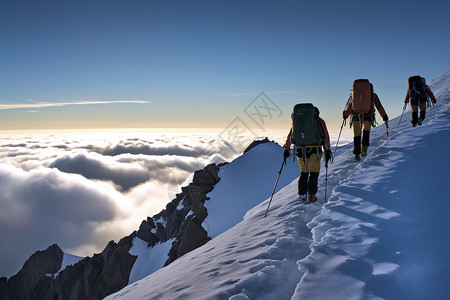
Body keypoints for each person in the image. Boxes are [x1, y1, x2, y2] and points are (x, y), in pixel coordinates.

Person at [283, 106, 331, 203]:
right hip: (315, 149)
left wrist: (287, 149)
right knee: (313, 172)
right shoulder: (319, 121)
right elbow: (326, 135)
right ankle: (312, 196)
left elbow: (290, 136)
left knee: (304, 172)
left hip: (300, 151)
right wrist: (327, 150)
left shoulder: (297, 123)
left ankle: (302, 195)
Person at [343, 82, 388, 161]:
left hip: (355, 117)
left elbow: (349, 107)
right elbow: (379, 106)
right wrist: (384, 116)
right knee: (366, 132)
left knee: (357, 135)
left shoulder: (353, 95)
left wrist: (345, 115)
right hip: (368, 116)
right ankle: (364, 147)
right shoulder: (373, 95)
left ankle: (357, 154)